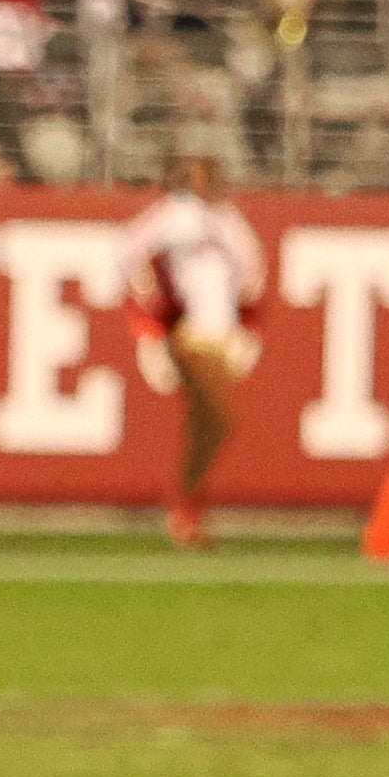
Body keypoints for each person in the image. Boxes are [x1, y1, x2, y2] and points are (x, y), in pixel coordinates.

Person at [116, 152, 265, 549]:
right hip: (190, 335)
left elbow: (252, 273)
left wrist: (246, 328)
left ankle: (188, 514)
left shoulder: (229, 220)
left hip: (221, 336)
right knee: (220, 419)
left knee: (203, 427)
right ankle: (184, 506)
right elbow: (127, 253)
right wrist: (150, 325)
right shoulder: (173, 215)